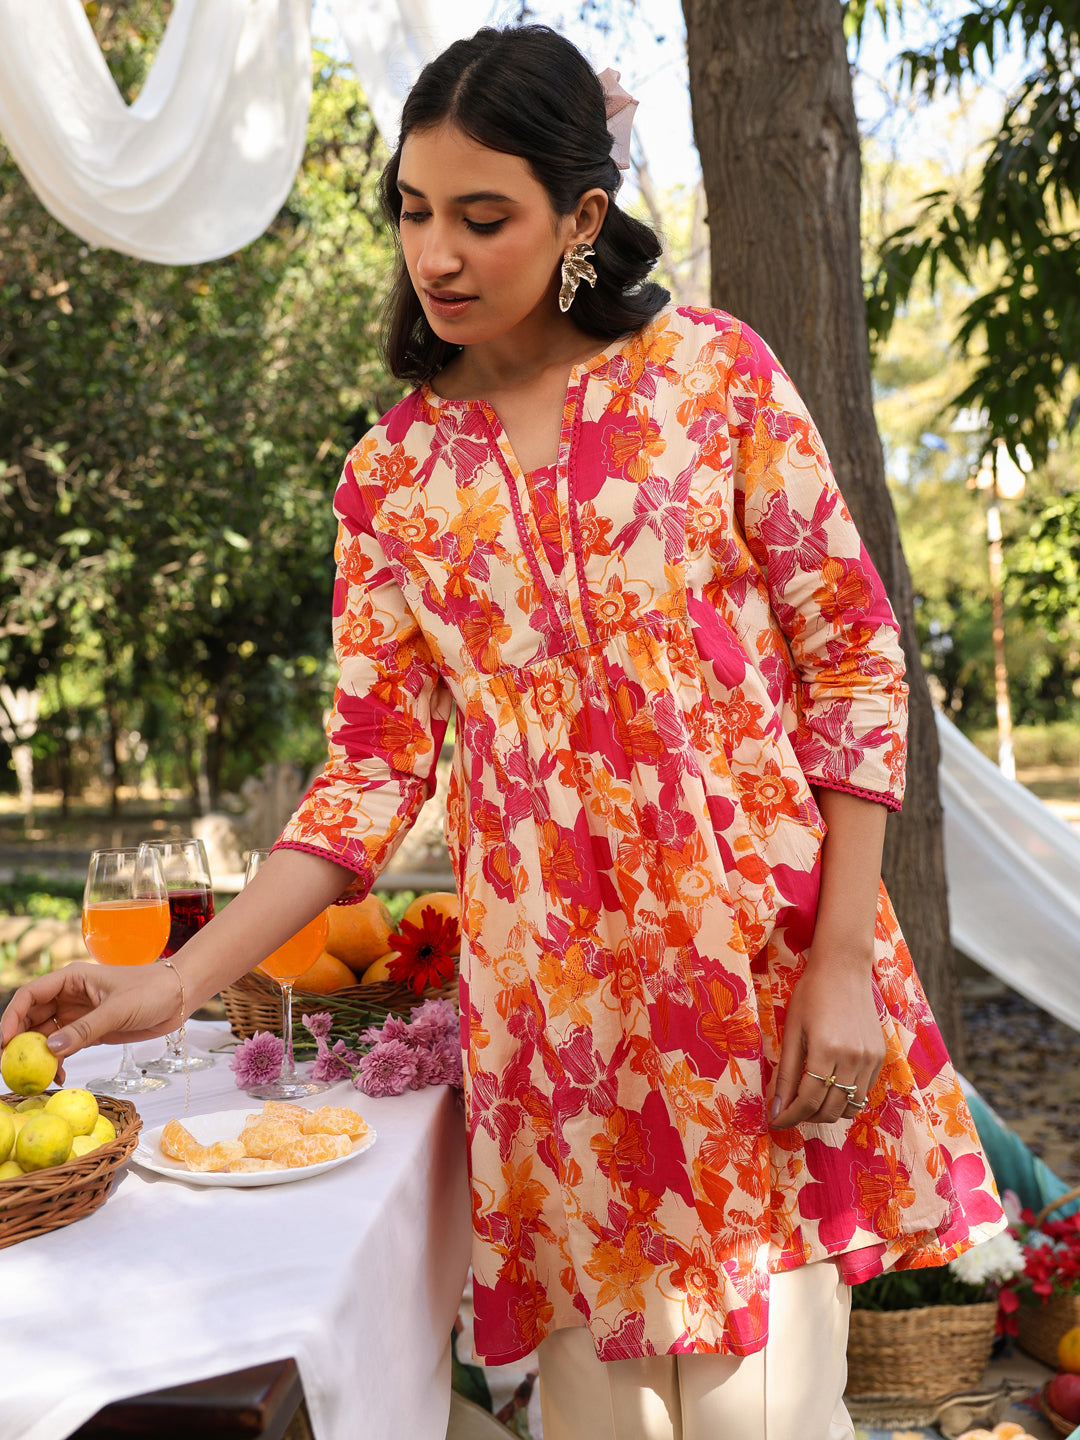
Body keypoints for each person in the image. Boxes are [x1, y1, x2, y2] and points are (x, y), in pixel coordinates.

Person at [2, 25, 1004, 1440]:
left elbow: (853, 661)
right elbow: (367, 777)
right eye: (414, 211)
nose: (438, 253)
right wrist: (179, 980)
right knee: (601, 1422)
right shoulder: (391, 479)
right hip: (557, 1024)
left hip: (757, 981)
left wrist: (841, 957)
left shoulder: (713, 379)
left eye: (483, 217)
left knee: (763, 1418)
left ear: (581, 217)